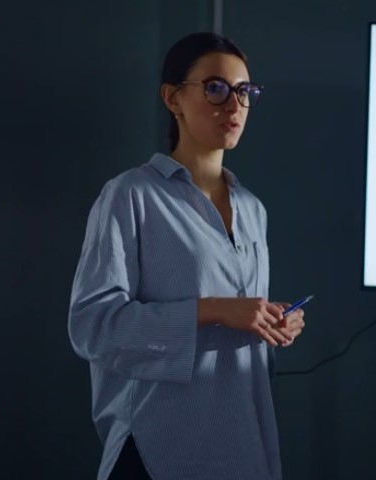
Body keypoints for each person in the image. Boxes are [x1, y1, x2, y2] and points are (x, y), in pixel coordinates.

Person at [68, 32, 304, 480]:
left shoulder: (253, 209)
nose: (233, 106)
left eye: (244, 92)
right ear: (173, 98)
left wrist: (270, 321)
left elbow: (239, 322)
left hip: (243, 442)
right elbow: (92, 329)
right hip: (160, 449)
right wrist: (214, 310)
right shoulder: (130, 196)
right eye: (215, 88)